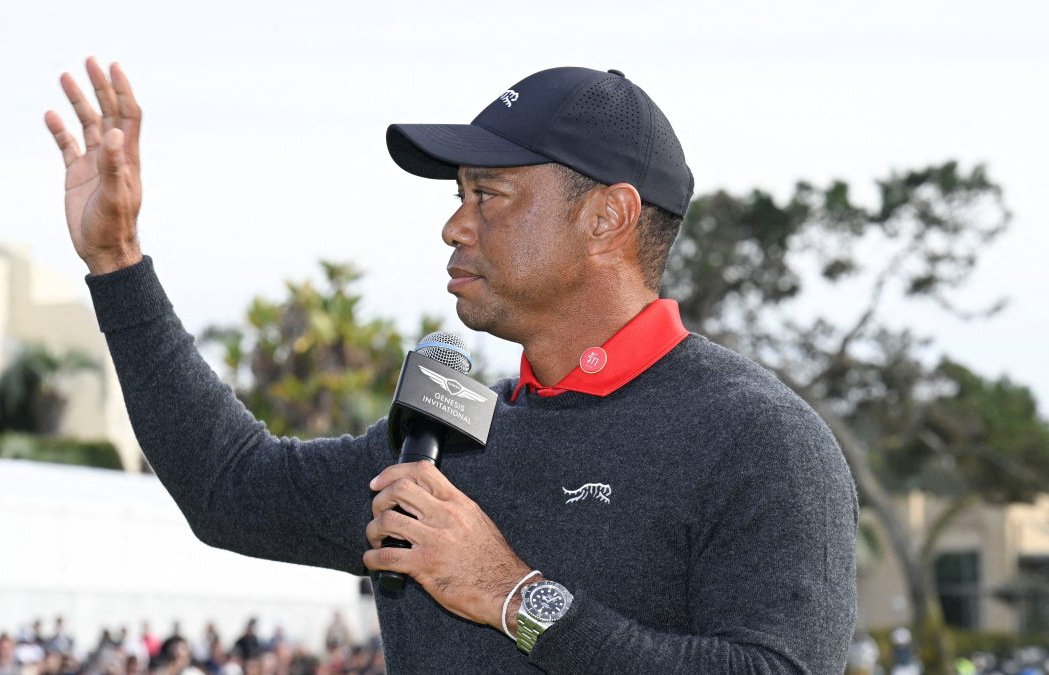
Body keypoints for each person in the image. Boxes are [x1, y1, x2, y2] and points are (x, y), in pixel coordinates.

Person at [45, 58, 858, 673]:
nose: (453, 226)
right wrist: (117, 262)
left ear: (607, 217)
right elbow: (230, 487)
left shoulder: (760, 438)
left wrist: (514, 596)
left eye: (488, 195)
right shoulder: (447, 429)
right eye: (456, 195)